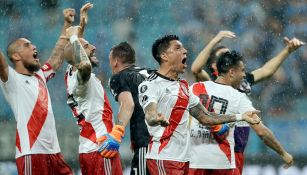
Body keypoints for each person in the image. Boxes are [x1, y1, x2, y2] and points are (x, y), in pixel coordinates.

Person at [137, 35, 260, 175]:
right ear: (164, 56)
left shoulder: (183, 86)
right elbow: (150, 113)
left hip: (186, 160)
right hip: (163, 157)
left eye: (183, 47)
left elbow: (205, 117)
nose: (185, 51)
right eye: (178, 48)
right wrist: (155, 118)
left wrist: (240, 116)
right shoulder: (151, 84)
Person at [190, 31, 305, 174]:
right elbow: (195, 68)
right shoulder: (207, 84)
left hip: (214, 153)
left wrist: (287, 51)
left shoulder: (241, 84)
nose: (229, 56)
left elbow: (266, 71)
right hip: (225, 151)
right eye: (224, 56)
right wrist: (215, 40)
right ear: (216, 65)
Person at [0, 8, 75, 175]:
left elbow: (56, 57)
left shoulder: (40, 75)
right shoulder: (10, 79)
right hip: (31, 154)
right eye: (27, 45)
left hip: (55, 154)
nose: (34, 46)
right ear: (16, 56)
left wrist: (67, 25)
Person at [63, 3, 122, 175]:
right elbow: (85, 64)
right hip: (101, 148)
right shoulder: (81, 79)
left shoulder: (70, 74)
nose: (94, 47)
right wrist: (74, 38)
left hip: (89, 149)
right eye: (88, 46)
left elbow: (76, 56)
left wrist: (81, 28)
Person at [105, 41, 153, 175]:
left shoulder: (118, 77)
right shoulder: (152, 73)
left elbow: (128, 104)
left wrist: (117, 132)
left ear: (115, 62)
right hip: (168, 143)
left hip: (146, 142)